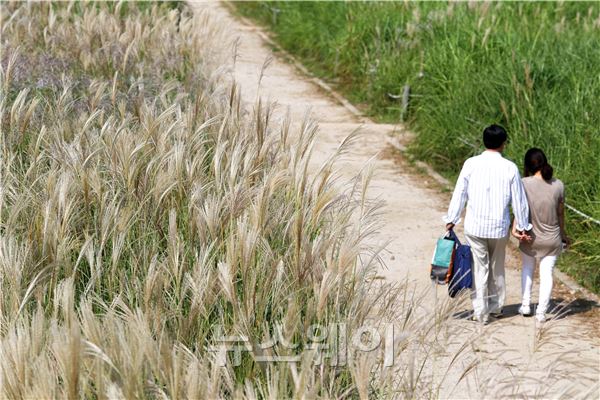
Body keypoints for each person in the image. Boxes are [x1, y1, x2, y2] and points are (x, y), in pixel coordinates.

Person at [444, 124, 532, 324]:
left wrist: (452, 218)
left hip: (475, 226)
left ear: (484, 141)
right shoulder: (510, 167)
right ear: (503, 144)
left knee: (479, 268)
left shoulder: (470, 164)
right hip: (499, 227)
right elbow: (519, 200)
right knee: (497, 267)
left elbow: (460, 193)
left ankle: (479, 311)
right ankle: (496, 307)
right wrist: (523, 226)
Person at [512, 148, 570, 323]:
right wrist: (564, 235)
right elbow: (561, 214)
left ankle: (526, 305)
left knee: (528, 269)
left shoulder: (523, 183)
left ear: (528, 165)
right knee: (547, 275)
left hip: (530, 237)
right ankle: (542, 313)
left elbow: (519, 209)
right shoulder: (558, 185)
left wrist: (515, 229)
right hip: (552, 239)